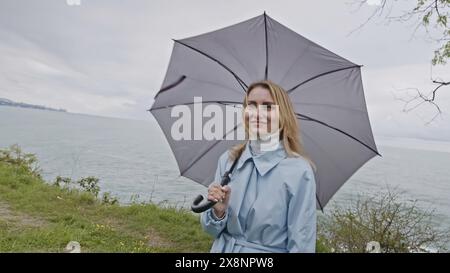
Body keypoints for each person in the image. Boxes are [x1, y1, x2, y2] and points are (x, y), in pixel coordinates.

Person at [200, 80, 317, 253]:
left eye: (268, 107)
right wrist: (218, 212)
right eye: (252, 105)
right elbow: (211, 230)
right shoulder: (229, 160)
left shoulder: (299, 172)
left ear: (282, 115)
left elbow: (302, 244)